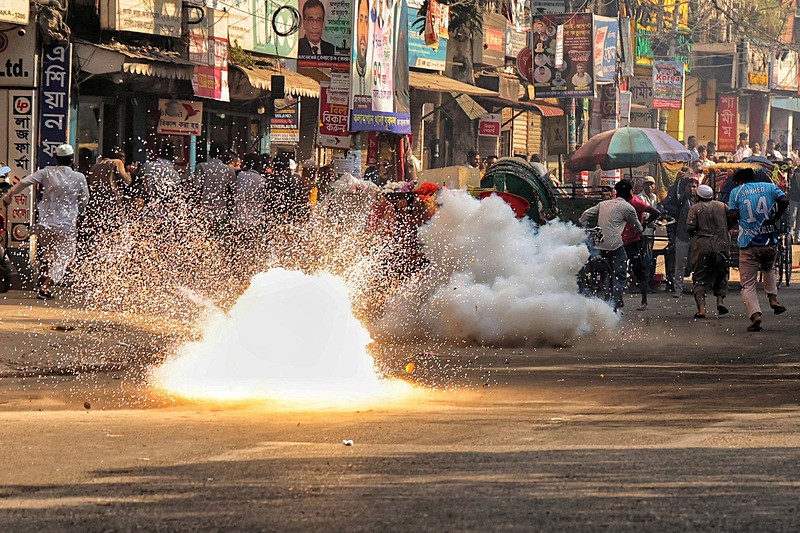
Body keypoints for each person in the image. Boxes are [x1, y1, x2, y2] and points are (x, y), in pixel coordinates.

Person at [1, 144, 88, 299]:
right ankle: (45, 286)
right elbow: (84, 200)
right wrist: (79, 213)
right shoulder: (79, 177)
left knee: (49, 254)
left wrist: (9, 196)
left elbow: (24, 182)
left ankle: (44, 279)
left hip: (46, 224)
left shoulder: (46, 172)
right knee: (63, 258)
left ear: (57, 159)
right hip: (66, 226)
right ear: (72, 159)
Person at [727, 167, 789, 331]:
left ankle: (755, 315)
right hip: (769, 241)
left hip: (748, 243)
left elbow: (732, 215)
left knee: (747, 284)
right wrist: (775, 217)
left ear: (739, 181)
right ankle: (773, 299)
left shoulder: (736, 192)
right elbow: (784, 200)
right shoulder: (769, 187)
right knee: (769, 269)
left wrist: (739, 217)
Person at [579, 180, 644, 312]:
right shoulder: (628, 208)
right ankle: (613, 304)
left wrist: (582, 224)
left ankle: (600, 298)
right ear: (631, 192)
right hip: (615, 246)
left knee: (601, 271)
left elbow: (585, 215)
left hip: (599, 245)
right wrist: (641, 228)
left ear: (616, 192)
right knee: (620, 276)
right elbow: (638, 228)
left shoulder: (603, 204)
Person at [687, 184, 730, 318]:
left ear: (698, 196)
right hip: (721, 245)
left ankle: (702, 309)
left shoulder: (695, 208)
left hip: (702, 247)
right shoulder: (723, 206)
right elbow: (731, 220)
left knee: (699, 277)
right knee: (722, 274)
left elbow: (690, 227)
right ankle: (720, 301)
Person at [622, 180, 662, 310]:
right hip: (622, 240)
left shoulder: (636, 202)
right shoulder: (623, 202)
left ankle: (644, 300)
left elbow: (656, 212)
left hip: (634, 240)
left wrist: (644, 224)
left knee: (638, 269)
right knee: (621, 269)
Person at [193, 146, 239, 230]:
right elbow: (233, 191)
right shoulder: (229, 170)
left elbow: (196, 187)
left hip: (204, 209)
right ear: (223, 155)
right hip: (221, 210)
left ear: (210, 153)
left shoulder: (201, 166)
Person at [638, 176, 659, 292]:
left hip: (651, 232)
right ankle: (643, 284)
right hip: (643, 233)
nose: (650, 186)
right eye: (648, 184)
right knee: (645, 259)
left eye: (652, 184)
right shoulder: (639, 198)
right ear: (644, 186)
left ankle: (648, 284)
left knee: (649, 259)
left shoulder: (654, 197)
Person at [789, 163, 800, 241]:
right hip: (794, 198)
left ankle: (797, 238)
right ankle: (790, 237)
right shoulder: (794, 171)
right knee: (792, 218)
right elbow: (790, 178)